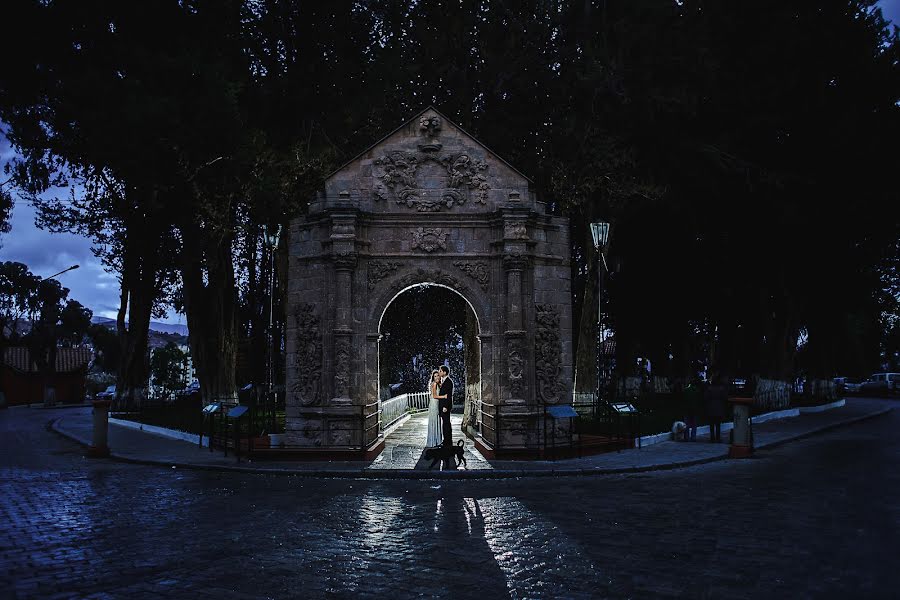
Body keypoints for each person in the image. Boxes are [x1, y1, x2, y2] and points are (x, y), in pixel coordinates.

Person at [704, 373, 728, 442]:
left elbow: (705, 398)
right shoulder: (721, 389)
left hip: (711, 408)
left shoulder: (709, 388)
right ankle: (718, 438)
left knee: (711, 424)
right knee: (718, 424)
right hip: (719, 408)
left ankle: (712, 438)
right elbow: (725, 398)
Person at [436, 365, 454, 453]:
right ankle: (446, 440)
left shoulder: (449, 382)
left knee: (446, 423)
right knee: (445, 423)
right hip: (442, 406)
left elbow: (449, 396)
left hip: (445, 407)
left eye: (440, 371)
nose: (439, 372)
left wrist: (445, 406)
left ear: (444, 372)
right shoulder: (443, 381)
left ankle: (448, 441)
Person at [426, 370, 443, 448]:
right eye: (435, 376)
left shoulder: (438, 384)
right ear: (433, 377)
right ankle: (434, 441)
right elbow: (435, 396)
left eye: (438, 376)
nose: (437, 377)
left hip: (436, 403)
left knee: (436, 421)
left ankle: (436, 441)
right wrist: (444, 396)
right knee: (434, 420)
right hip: (434, 404)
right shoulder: (434, 384)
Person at [683, 376, 702, 442]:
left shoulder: (686, 390)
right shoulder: (697, 391)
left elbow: (683, 400)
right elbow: (699, 401)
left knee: (687, 424)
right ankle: (693, 437)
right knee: (694, 424)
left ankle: (686, 437)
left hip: (687, 409)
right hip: (695, 410)